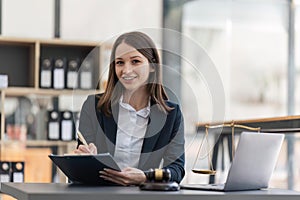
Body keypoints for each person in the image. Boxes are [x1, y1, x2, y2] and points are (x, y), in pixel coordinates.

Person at [74, 31, 185, 186]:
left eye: (135, 61)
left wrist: (147, 177)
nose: (126, 71)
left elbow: (176, 169)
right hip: (99, 194)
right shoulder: (93, 106)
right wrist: (84, 157)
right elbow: (79, 165)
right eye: (120, 62)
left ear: (153, 66)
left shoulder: (171, 115)